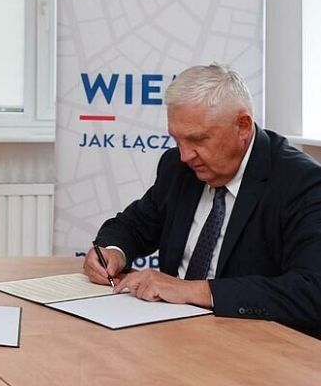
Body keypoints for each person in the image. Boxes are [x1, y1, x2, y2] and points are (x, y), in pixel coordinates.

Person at [82, 63, 321, 337]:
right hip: (173, 333)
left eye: (198, 139)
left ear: (242, 126)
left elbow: (312, 291)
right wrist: (112, 252)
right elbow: (134, 225)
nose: (185, 155)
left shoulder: (302, 184)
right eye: (177, 140)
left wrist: (194, 291)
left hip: (253, 343)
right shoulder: (178, 168)